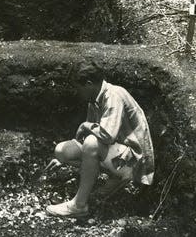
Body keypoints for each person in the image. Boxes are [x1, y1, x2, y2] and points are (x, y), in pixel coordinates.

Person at [45, 68, 154, 218]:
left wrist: (85, 125)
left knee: (91, 143)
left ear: (89, 84)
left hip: (133, 161)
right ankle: (113, 178)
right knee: (62, 151)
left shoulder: (113, 96)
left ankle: (79, 205)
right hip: (114, 152)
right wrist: (61, 160)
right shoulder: (94, 99)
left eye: (79, 88)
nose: (78, 93)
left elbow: (107, 136)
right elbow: (91, 134)